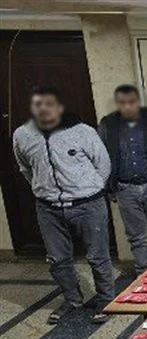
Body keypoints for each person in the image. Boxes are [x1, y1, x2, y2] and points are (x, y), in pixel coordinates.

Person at [13, 86, 112, 325]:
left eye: (49, 103)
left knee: (97, 256)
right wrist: (44, 190)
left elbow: (103, 164)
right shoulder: (22, 135)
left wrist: (90, 189)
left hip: (88, 204)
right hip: (48, 208)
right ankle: (72, 299)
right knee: (58, 259)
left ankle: (106, 299)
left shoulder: (83, 131)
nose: (43, 109)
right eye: (38, 104)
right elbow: (26, 168)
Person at [97, 84, 147, 274]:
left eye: (131, 102)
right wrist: (108, 186)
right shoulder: (107, 125)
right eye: (122, 103)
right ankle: (143, 274)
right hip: (125, 188)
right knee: (136, 236)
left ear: (138, 102)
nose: (127, 106)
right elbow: (100, 157)